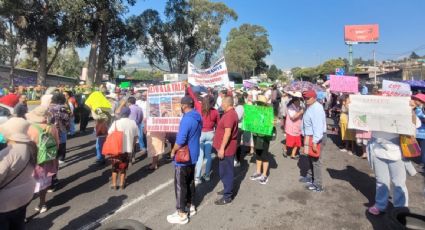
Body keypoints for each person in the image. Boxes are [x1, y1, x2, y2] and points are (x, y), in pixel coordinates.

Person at [167, 96, 202, 225]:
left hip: (183, 157)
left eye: (181, 105)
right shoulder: (198, 117)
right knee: (190, 182)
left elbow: (180, 140)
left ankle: (181, 213)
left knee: (180, 185)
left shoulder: (186, 119)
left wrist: (172, 151)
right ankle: (191, 206)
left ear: (184, 106)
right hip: (193, 155)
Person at [0, 118, 37, 230]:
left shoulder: (8, 153)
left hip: (6, 201)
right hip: (25, 194)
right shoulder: (30, 146)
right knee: (19, 223)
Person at [26, 106, 59, 214]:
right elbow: (57, 145)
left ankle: (24, 212)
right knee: (44, 184)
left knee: (29, 185)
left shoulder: (30, 128)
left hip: (33, 161)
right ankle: (42, 203)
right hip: (47, 160)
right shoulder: (52, 127)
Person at [187, 86, 219, 184]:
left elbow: (193, 97)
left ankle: (197, 177)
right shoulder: (215, 112)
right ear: (213, 102)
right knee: (208, 156)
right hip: (210, 134)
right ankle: (207, 175)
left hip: (200, 134)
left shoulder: (199, 107)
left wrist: (188, 87)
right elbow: (218, 125)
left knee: (200, 157)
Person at [213, 96, 239, 205]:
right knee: (223, 171)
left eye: (222, 102)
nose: (221, 104)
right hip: (225, 148)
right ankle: (226, 188)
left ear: (227, 104)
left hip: (227, 149)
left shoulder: (230, 115)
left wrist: (222, 148)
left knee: (226, 171)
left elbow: (227, 133)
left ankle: (227, 196)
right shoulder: (229, 113)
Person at [300, 90, 326, 192]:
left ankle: (318, 184)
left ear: (314, 98)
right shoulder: (310, 106)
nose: (306, 100)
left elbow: (318, 127)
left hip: (315, 137)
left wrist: (315, 142)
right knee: (310, 158)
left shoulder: (317, 108)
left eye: (308, 98)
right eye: (305, 98)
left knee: (316, 161)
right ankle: (311, 177)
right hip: (309, 136)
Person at [108, 107, 138, 189]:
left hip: (116, 148)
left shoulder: (116, 123)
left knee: (115, 167)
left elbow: (109, 133)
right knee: (123, 167)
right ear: (129, 114)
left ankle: (114, 184)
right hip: (127, 149)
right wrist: (132, 145)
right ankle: (121, 183)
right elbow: (135, 137)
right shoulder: (133, 123)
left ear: (121, 114)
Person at [249, 95, 276, 185]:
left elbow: (272, 124)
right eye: (258, 103)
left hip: (264, 137)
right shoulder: (255, 111)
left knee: (264, 155)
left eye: (261, 103)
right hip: (256, 135)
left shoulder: (269, 112)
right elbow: (250, 122)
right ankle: (258, 172)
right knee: (258, 154)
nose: (259, 105)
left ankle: (264, 175)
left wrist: (272, 123)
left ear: (264, 104)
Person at [48, 93, 71, 164]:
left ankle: (53, 157)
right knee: (62, 144)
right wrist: (68, 128)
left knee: (53, 143)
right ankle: (61, 158)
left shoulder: (49, 107)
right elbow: (67, 118)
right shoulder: (64, 108)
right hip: (62, 128)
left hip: (51, 128)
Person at [284, 92, 304, 159]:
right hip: (291, 127)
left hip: (297, 127)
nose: (299, 101)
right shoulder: (290, 107)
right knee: (289, 142)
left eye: (300, 100)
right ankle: (285, 150)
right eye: (298, 100)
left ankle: (293, 154)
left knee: (297, 142)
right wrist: (300, 112)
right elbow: (293, 117)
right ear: (295, 100)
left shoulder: (300, 107)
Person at [127, 96, 144, 163]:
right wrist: (138, 123)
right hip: (136, 126)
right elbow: (141, 118)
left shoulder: (128, 108)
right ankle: (133, 157)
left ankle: (130, 157)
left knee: (129, 142)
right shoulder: (139, 108)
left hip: (128, 127)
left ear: (129, 102)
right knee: (134, 142)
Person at [412, 93, 425, 167]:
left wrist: (421, 119)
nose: (414, 100)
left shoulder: (422, 109)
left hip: (423, 133)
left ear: (421, 101)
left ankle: (423, 163)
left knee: (423, 150)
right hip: (416, 132)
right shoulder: (415, 108)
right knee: (417, 148)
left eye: (416, 99)